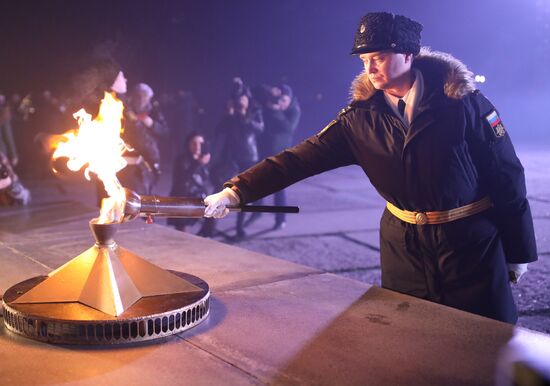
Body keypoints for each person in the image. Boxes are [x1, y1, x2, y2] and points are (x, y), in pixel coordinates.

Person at [203, 12, 538, 324]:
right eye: (365, 61)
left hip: (469, 247)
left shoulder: (463, 104)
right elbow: (297, 160)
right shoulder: (359, 120)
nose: (370, 68)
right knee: (410, 342)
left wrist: (518, 250)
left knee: (486, 341)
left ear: (408, 55)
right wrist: (237, 190)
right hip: (403, 250)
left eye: (378, 58)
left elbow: (506, 174)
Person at [211, 78, 264, 239]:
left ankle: (239, 227)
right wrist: (229, 115)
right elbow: (218, 130)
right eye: (238, 100)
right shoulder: (231, 114)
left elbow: (260, 128)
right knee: (221, 191)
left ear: (248, 99)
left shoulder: (255, 111)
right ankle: (210, 225)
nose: (241, 102)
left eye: (243, 99)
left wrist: (244, 116)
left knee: (245, 194)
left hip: (248, 157)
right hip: (231, 158)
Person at [256, 84, 301, 229]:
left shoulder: (294, 110)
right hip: (264, 150)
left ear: (290, 98)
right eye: (279, 99)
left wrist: (275, 111)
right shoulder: (269, 106)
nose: (281, 103)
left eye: (284, 100)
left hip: (281, 154)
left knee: (278, 187)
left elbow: (288, 128)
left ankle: (280, 219)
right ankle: (257, 210)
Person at [119, 82, 168, 195]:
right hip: (127, 157)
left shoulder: (154, 113)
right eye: (138, 96)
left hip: (149, 157)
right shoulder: (124, 111)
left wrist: (152, 124)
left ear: (149, 98)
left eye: (144, 96)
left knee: (146, 190)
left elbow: (165, 133)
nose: (141, 99)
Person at [168, 132, 215, 236]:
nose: (197, 146)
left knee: (213, 214)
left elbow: (204, 181)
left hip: (198, 197)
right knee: (182, 232)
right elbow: (182, 179)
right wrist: (198, 164)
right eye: (194, 143)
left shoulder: (203, 159)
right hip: (182, 198)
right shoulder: (182, 160)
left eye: (200, 143)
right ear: (188, 145)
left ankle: (203, 237)